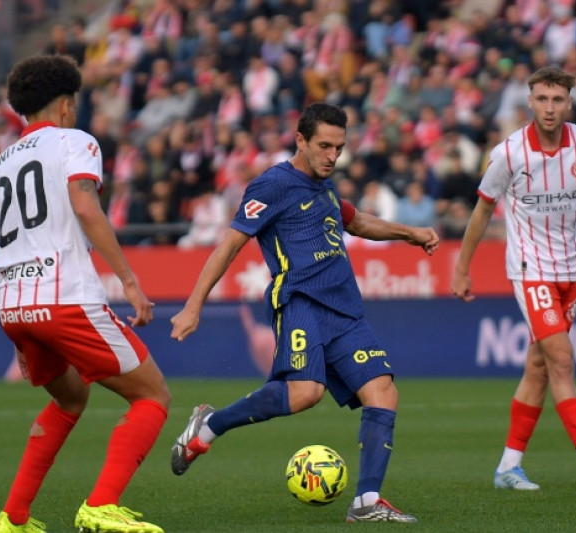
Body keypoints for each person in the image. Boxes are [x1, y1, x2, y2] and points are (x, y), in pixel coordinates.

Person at [168, 103, 439, 523]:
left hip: (345, 309)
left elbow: (357, 222)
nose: (332, 156)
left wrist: (411, 233)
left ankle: (367, 502)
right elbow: (229, 245)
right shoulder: (271, 186)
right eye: (324, 146)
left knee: (383, 391)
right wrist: (193, 306)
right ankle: (209, 425)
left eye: (339, 147)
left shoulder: (326, 188)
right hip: (300, 301)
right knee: (305, 394)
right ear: (301, 140)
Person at [0, 55, 170, 533]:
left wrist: (19, 336)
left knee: (69, 399)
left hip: (13, 305)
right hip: (64, 296)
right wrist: (127, 279)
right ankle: (102, 504)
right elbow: (85, 205)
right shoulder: (74, 142)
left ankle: (13, 518)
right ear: (66, 105)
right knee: (152, 396)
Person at [451, 66, 576, 491]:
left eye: (557, 100)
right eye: (542, 99)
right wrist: (461, 268)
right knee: (562, 359)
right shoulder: (510, 153)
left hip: (572, 269)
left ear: (569, 102)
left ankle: (507, 468)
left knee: (538, 366)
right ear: (529, 101)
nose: (549, 108)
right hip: (530, 269)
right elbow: (482, 210)